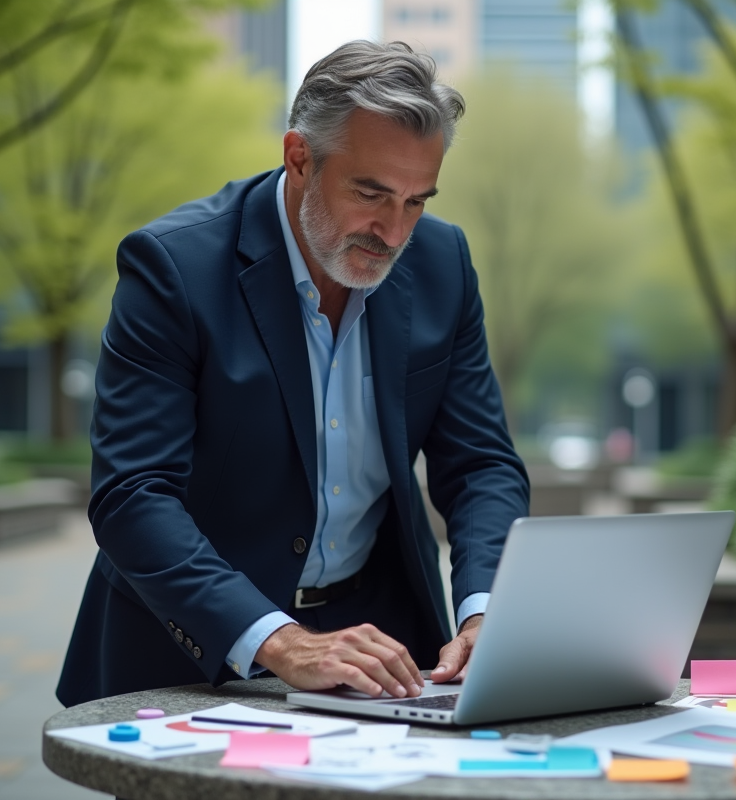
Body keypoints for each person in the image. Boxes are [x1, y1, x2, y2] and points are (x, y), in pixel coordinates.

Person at [56, 40, 529, 707]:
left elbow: (480, 464)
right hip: (193, 654)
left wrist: (486, 610)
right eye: (371, 194)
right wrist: (281, 640)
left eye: (416, 201)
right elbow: (133, 495)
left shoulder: (443, 262)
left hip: (387, 650)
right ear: (299, 158)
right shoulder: (173, 269)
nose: (394, 233)